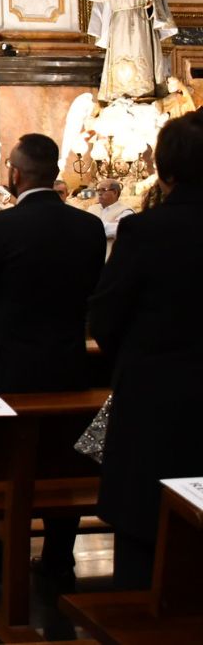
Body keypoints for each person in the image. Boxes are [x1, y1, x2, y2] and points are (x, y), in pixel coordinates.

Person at [0, 132, 106, 579]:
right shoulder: (88, 227)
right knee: (64, 454)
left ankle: (7, 554)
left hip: (6, 366)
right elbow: (91, 294)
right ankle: (60, 553)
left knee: (3, 456)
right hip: (66, 359)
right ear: (55, 171)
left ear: (15, 175)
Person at [90, 111, 203, 589]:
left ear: (165, 170)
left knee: (145, 523)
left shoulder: (146, 232)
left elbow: (106, 317)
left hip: (155, 396)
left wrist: (134, 367)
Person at [68, 0, 176, 101]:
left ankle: (143, 90)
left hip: (138, 24)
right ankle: (119, 91)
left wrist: (151, 6)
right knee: (119, 57)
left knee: (140, 54)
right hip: (118, 26)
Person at [88, 178, 134, 259]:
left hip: (110, 259)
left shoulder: (126, 211)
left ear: (115, 192)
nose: (99, 193)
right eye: (98, 190)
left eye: (103, 190)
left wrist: (91, 228)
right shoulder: (91, 209)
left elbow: (115, 230)